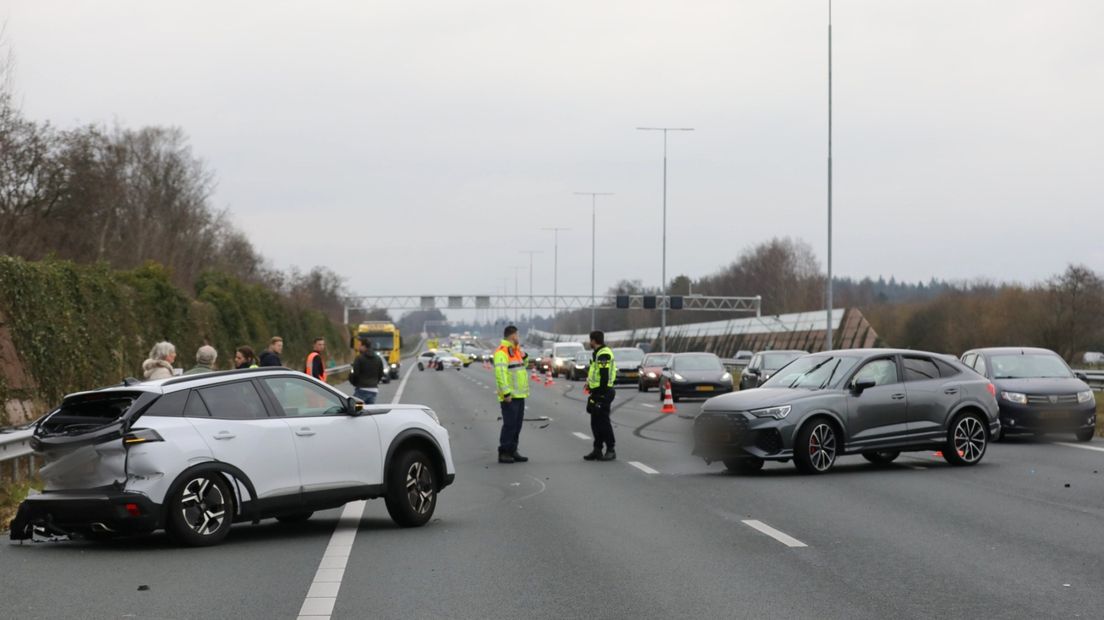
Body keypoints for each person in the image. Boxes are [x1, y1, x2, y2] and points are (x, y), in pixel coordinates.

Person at [493, 325, 530, 464]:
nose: (518, 338)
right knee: (509, 425)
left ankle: (513, 450)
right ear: (513, 336)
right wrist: (506, 392)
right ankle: (504, 452)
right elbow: (500, 374)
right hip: (510, 396)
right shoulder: (502, 352)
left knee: (517, 425)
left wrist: (525, 356)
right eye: (518, 335)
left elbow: (522, 366)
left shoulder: (515, 351)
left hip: (519, 395)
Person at [583, 330, 618, 461]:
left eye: (590, 340)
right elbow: (596, 374)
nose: (589, 342)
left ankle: (611, 449)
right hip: (597, 391)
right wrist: (589, 385)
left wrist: (601, 396)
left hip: (604, 392)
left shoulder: (603, 354)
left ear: (593, 340)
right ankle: (597, 449)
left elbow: (604, 376)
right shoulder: (597, 353)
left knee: (603, 422)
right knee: (595, 422)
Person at [350, 339, 385, 404]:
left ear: (364, 346)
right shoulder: (378, 358)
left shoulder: (359, 358)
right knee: (369, 411)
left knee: (356, 409)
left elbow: (355, 374)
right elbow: (381, 374)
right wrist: (374, 382)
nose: (359, 347)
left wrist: (354, 383)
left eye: (360, 345)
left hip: (361, 390)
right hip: (374, 390)